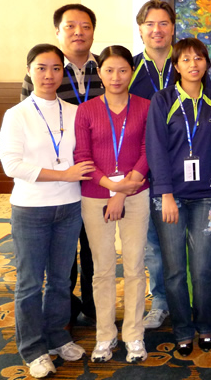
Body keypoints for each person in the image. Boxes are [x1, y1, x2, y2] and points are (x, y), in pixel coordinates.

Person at [0, 44, 94, 378]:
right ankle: (33, 348)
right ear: (29, 71)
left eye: (55, 68)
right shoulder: (17, 114)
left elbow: (85, 154)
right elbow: (12, 165)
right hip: (31, 209)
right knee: (29, 283)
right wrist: (63, 174)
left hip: (69, 207)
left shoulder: (75, 112)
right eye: (41, 68)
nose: (49, 75)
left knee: (59, 280)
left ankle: (57, 337)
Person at [21, 3, 102, 327]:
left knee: (96, 249)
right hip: (60, 181)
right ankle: (63, 311)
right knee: (62, 255)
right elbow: (30, 123)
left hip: (98, 178)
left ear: (93, 31)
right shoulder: (45, 70)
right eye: (70, 26)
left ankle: (96, 308)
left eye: (85, 26)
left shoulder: (106, 67)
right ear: (58, 31)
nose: (78, 32)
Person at [146, 38, 211, 356]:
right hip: (170, 196)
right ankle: (182, 330)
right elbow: (155, 148)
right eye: (186, 59)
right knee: (175, 268)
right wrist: (165, 193)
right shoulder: (163, 100)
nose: (193, 64)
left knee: (203, 266)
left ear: (207, 64)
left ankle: (205, 326)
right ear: (176, 66)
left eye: (199, 58)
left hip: (206, 196)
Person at [74, 45, 151, 363]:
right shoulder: (86, 110)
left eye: (122, 70)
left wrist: (121, 192)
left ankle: (134, 334)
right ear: (100, 72)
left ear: (131, 72)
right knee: (102, 269)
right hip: (95, 195)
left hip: (136, 193)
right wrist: (111, 186)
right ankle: (105, 335)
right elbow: (82, 157)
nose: (116, 76)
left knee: (134, 266)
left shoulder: (145, 106)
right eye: (109, 70)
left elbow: (148, 150)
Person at [128, 0, 178, 329]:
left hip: (186, 167)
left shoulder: (189, 63)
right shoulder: (128, 68)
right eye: (150, 24)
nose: (157, 30)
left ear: (173, 28)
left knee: (191, 238)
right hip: (142, 168)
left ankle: (199, 297)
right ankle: (159, 300)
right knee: (152, 243)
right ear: (141, 29)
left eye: (163, 23)